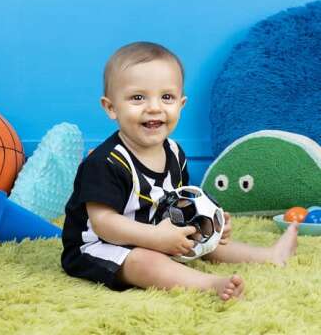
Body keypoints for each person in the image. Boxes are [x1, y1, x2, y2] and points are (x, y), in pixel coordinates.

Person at [61, 41, 298, 301]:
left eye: (167, 97)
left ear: (181, 104)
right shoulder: (106, 162)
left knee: (200, 241)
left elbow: (177, 203)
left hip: (154, 230)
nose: (154, 107)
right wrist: (155, 237)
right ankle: (209, 285)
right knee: (145, 261)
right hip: (99, 246)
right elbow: (104, 224)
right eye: (138, 97)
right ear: (111, 107)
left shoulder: (174, 152)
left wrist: (210, 222)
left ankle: (268, 256)